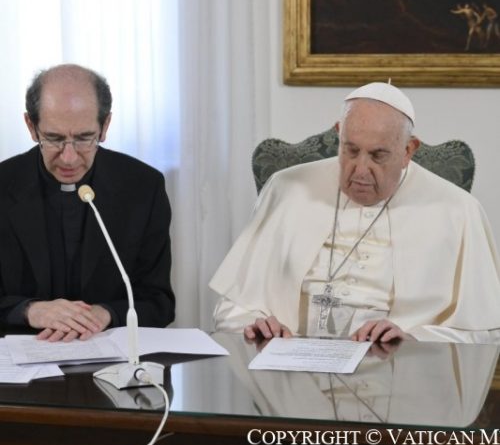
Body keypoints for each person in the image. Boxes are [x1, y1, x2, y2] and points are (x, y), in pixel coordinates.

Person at [210, 82, 500, 344]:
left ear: (408, 150)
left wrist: (411, 339)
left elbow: (483, 331)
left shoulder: (457, 210)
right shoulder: (286, 188)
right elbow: (232, 310)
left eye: (378, 155)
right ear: (339, 134)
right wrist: (256, 325)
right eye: (350, 150)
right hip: (293, 366)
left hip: (399, 374)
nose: (360, 170)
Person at [0, 64, 175, 342]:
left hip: (109, 355)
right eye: (54, 139)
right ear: (31, 127)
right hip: (20, 357)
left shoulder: (143, 188)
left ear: (105, 126)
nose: (69, 158)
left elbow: (159, 302)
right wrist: (29, 310)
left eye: (84, 139)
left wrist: (106, 314)